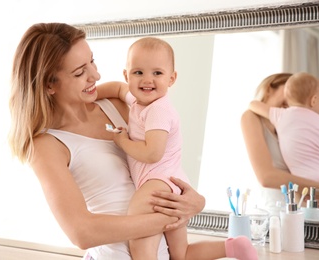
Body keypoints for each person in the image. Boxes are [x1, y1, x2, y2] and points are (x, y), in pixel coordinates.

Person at [8, 23, 255, 260]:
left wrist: (196, 202)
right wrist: (167, 218)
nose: (96, 74)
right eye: (80, 72)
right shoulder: (46, 145)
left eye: (92, 61)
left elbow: (159, 167)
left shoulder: (119, 107)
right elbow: (82, 232)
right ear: (50, 84)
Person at [97, 37, 257, 260]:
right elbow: (116, 88)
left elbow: (153, 154)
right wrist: (93, 94)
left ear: (172, 78)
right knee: (181, 253)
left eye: (157, 73)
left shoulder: (157, 111)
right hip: (173, 184)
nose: (147, 80)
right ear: (127, 75)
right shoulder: (137, 100)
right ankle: (233, 247)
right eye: (138, 72)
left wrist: (121, 141)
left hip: (156, 185)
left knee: (141, 250)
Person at [241, 72, 319, 218]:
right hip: (279, 217)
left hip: (315, 212)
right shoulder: (252, 118)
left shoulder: (295, 123)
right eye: (288, 89)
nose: (292, 97)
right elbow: (267, 177)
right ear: (270, 88)